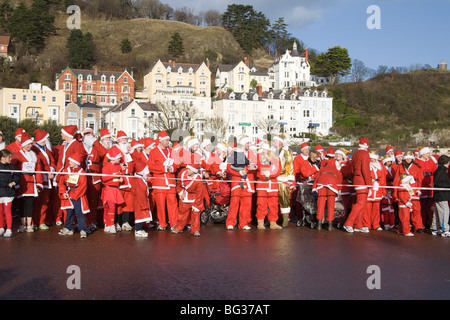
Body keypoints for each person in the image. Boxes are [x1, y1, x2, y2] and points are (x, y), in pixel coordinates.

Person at [11, 132, 43, 233]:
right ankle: (22, 224)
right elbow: (13, 168)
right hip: (22, 182)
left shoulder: (34, 155)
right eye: (28, 144)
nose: (30, 146)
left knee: (30, 203)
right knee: (22, 203)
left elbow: (38, 170)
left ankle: (29, 225)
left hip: (31, 182)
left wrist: (39, 183)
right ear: (23, 144)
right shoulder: (17, 155)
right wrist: (15, 182)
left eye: (31, 144)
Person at [147, 131, 178, 230]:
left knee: (173, 204)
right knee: (160, 205)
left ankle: (174, 223)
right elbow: (151, 166)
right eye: (166, 140)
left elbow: (177, 164)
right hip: (159, 182)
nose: (168, 142)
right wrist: (163, 168)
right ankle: (162, 223)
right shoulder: (153, 152)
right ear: (160, 140)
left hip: (171, 181)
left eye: (168, 140)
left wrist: (172, 168)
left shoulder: (172, 151)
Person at [226, 135, 257, 230]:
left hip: (248, 181)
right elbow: (228, 168)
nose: (249, 145)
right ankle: (230, 222)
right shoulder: (234, 152)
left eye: (249, 143)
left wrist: (253, 168)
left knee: (246, 203)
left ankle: (243, 223)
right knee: (234, 202)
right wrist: (239, 172)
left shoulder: (252, 153)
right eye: (247, 143)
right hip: (237, 180)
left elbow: (256, 166)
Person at [343, 137, 372, 233]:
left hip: (356, 178)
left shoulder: (355, 153)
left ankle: (359, 224)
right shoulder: (365, 154)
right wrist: (369, 184)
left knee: (361, 203)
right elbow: (366, 170)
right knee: (361, 203)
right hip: (362, 180)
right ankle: (349, 223)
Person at [58, 152, 90, 238]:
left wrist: (75, 195)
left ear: (76, 162)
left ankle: (83, 229)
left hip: (77, 195)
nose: (69, 162)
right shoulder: (66, 170)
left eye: (71, 161)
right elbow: (61, 182)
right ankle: (68, 227)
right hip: (68, 193)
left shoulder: (81, 172)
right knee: (69, 212)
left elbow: (83, 185)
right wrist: (63, 192)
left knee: (79, 213)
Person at [393, 151, 424, 233]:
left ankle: (418, 226)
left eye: (410, 158)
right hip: (404, 190)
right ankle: (403, 228)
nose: (408, 160)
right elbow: (397, 180)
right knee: (404, 212)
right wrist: (395, 193)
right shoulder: (400, 167)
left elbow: (420, 180)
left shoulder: (417, 167)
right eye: (406, 158)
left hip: (414, 189)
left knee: (416, 209)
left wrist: (418, 190)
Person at [32, 129, 56, 230]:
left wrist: (52, 170)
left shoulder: (47, 149)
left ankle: (42, 221)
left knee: (45, 201)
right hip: (39, 178)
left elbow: (52, 161)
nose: (48, 139)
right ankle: (34, 222)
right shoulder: (34, 149)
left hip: (48, 178)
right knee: (36, 201)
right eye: (47, 138)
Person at [171, 163, 205, 236]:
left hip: (195, 197)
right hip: (185, 196)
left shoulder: (198, 179)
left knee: (195, 215)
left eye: (189, 169)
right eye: (187, 169)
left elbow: (200, 193)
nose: (187, 170)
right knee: (182, 214)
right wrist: (180, 192)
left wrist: (197, 205)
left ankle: (195, 229)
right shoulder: (182, 174)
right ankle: (179, 227)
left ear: (194, 171)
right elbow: (179, 184)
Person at [255, 143, 282, 230]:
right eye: (263, 149)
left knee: (273, 204)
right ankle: (260, 222)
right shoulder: (259, 157)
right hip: (262, 184)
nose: (264, 151)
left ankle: (273, 222)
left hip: (273, 184)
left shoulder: (276, 158)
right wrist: (266, 172)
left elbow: (278, 170)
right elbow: (259, 169)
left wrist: (270, 173)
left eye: (266, 150)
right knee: (261, 204)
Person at [312, 160, 343, 231]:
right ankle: (330, 226)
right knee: (331, 206)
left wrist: (314, 188)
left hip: (321, 183)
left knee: (320, 204)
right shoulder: (336, 170)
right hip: (332, 184)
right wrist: (338, 190)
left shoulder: (323, 169)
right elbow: (340, 180)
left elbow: (317, 178)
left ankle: (319, 225)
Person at [101, 146, 125, 233]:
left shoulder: (118, 166)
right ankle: (110, 225)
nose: (119, 159)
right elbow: (104, 178)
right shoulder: (106, 167)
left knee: (110, 207)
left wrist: (120, 178)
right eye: (118, 158)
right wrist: (115, 176)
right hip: (108, 189)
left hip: (115, 189)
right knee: (110, 207)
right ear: (113, 158)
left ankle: (108, 224)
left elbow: (119, 174)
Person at [273, 134, 295, 228]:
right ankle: (272, 219)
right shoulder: (272, 151)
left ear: (280, 142)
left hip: (283, 177)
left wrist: (290, 179)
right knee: (272, 200)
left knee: (284, 198)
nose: (274, 142)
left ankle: (285, 220)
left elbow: (290, 165)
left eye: (275, 141)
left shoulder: (287, 152)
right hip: (273, 178)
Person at [0, 149, 20, 237]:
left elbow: (17, 175)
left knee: (8, 211)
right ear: (3, 158)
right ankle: (1, 228)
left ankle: (9, 229)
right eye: (9, 157)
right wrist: (7, 184)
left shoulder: (11, 167)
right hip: (0, 192)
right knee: (0, 211)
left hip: (8, 193)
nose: (11, 159)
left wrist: (14, 182)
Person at [416, 147, 438, 229]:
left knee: (430, 204)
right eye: (427, 153)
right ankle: (423, 221)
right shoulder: (417, 162)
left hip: (430, 184)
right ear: (422, 154)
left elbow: (435, 171)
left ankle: (430, 221)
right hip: (422, 184)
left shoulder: (431, 162)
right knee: (422, 205)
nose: (429, 155)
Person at [131, 159, 153, 238]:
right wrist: (143, 204)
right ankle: (138, 230)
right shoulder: (138, 181)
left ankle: (139, 229)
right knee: (140, 216)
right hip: (140, 201)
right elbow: (140, 194)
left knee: (142, 216)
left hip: (141, 200)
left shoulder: (140, 179)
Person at [365, 150, 386, 231]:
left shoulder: (380, 166)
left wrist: (383, 190)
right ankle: (366, 224)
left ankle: (376, 224)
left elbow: (383, 179)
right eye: (370, 158)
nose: (372, 160)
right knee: (367, 207)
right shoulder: (366, 165)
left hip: (378, 188)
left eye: (373, 158)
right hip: (370, 187)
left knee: (376, 208)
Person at [431, 155, 450, 237]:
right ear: (446, 163)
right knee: (444, 212)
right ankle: (445, 229)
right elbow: (439, 183)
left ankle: (435, 228)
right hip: (442, 195)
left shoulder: (439, 171)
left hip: (440, 195)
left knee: (437, 212)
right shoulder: (441, 171)